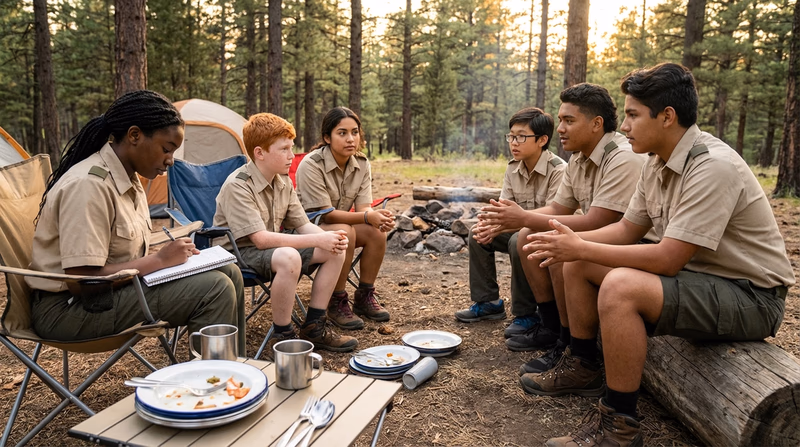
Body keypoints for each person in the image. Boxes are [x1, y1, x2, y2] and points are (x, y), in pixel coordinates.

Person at [524, 63, 795, 447]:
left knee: (620, 286)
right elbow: (627, 230)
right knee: (580, 262)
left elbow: (668, 259)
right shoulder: (656, 161)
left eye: (633, 115)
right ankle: (583, 364)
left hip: (751, 296)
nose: (626, 126)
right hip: (705, 279)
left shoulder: (712, 166)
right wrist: (571, 244)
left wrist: (581, 244)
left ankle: (619, 425)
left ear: (667, 117)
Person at [28, 90, 244, 353]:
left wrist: (172, 260)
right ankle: (212, 387)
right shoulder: (89, 185)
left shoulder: (129, 178)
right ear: (134, 136)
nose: (171, 160)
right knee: (215, 288)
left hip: (107, 296)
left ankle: (233, 371)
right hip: (68, 309)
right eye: (166, 149)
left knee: (229, 272)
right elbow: (83, 279)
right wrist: (160, 261)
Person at [481, 84, 646, 370]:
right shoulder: (578, 158)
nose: (560, 128)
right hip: (604, 237)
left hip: (628, 244)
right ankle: (551, 326)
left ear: (597, 124)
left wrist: (524, 217)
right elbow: (559, 209)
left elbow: (600, 220)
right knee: (528, 235)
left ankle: (571, 343)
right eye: (560, 120)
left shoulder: (621, 157)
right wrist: (518, 218)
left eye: (569, 121)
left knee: (558, 247)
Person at [214, 112, 357, 353]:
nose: (292, 156)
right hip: (238, 254)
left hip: (272, 250)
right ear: (260, 153)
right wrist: (317, 237)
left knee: (334, 249)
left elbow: (303, 225)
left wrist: (327, 239)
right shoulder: (238, 185)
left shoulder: (283, 182)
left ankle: (314, 326)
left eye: (291, 148)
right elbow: (260, 240)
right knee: (289, 256)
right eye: (284, 149)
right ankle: (283, 336)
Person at [452, 107, 565, 339]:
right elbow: (505, 209)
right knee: (478, 232)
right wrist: (491, 224)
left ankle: (527, 314)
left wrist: (510, 223)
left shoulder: (559, 171)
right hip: (521, 227)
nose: (514, 142)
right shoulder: (513, 168)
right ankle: (488, 302)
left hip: (553, 235)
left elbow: (556, 216)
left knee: (518, 240)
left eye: (521, 136)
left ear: (542, 140)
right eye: (511, 136)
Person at [294, 107, 394, 330]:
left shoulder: (362, 163)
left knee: (376, 231)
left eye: (355, 132)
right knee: (345, 231)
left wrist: (377, 218)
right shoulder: (311, 164)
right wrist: (368, 216)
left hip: (338, 225)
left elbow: (363, 208)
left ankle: (364, 296)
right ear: (327, 137)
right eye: (342, 133)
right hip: (307, 229)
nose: (351, 139)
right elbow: (325, 213)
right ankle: (336, 301)